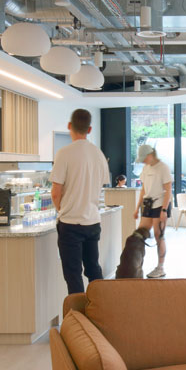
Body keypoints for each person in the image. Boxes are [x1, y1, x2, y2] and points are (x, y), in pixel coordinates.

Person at [51, 109, 110, 294]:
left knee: (73, 274)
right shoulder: (99, 154)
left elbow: (56, 193)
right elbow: (100, 187)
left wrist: (61, 209)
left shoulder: (64, 153)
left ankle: (78, 311)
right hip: (93, 222)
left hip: (70, 223)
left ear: (69, 126)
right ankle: (101, 306)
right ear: (89, 129)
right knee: (93, 269)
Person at [134, 144, 173, 278]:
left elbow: (168, 190)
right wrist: (137, 208)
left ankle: (160, 267)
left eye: (144, 158)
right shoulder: (145, 168)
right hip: (148, 204)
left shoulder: (163, 168)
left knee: (158, 235)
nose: (143, 161)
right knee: (139, 234)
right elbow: (144, 189)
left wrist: (164, 210)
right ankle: (136, 266)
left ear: (150, 155)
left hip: (160, 204)